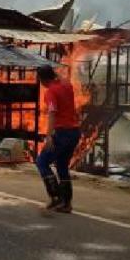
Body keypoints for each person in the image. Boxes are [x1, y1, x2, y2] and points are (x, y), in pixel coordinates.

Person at [36, 64, 81, 213]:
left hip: (62, 133)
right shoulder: (67, 86)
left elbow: (52, 113)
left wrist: (49, 136)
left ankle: (55, 198)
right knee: (62, 165)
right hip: (74, 132)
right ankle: (66, 203)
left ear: (42, 79)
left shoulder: (50, 92)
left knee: (42, 162)